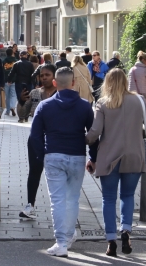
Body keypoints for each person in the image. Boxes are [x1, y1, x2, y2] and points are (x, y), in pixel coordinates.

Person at [86, 69, 146, 257]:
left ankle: (111, 241)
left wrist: (82, 139)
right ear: (125, 81)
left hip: (109, 157)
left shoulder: (103, 103)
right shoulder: (139, 101)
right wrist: (137, 134)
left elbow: (95, 133)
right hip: (134, 154)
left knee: (108, 198)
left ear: (107, 82)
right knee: (128, 195)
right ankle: (125, 231)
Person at [30, 67, 94, 258]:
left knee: (57, 200)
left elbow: (35, 136)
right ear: (73, 82)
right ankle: (69, 234)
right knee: (72, 199)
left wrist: (43, 155)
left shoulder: (45, 106)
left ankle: (61, 242)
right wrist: (94, 156)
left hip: (54, 155)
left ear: (55, 83)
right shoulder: (84, 106)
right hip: (77, 155)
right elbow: (92, 134)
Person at [18, 63, 57, 220]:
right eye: (42, 75)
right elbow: (22, 115)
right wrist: (21, 102)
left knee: (55, 173)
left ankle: (59, 206)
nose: (44, 77)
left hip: (55, 139)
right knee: (34, 171)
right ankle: (30, 205)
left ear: (54, 76)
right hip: (36, 138)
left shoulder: (60, 93)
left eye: (47, 75)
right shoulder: (34, 93)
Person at [7, 50, 35, 122]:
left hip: (19, 82)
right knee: (27, 99)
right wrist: (35, 83)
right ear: (26, 56)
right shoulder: (30, 64)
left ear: (20, 56)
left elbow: (12, 73)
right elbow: (33, 75)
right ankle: (26, 116)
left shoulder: (17, 64)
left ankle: (21, 117)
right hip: (28, 82)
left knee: (20, 99)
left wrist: (9, 80)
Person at [2, 48, 18, 116]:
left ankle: (7, 111)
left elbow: (2, 71)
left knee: (7, 96)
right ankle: (12, 107)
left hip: (6, 80)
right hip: (14, 80)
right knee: (13, 95)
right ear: (12, 53)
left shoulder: (4, 61)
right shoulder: (16, 61)